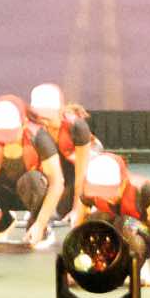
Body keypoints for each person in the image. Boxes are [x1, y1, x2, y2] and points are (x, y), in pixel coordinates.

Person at [0, 94, 63, 248]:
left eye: (10, 133)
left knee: (32, 180)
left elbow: (57, 183)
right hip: (1, 195)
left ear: (24, 124)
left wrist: (40, 224)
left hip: (31, 195)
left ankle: (39, 228)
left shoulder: (39, 138)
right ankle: (2, 224)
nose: (6, 139)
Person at [73, 150, 150, 287]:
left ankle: (137, 264)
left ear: (123, 182)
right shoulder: (89, 193)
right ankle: (105, 264)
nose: (105, 196)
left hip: (144, 234)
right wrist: (72, 269)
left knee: (125, 222)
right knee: (95, 221)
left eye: (109, 190)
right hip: (116, 228)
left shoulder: (144, 190)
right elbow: (76, 231)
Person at [27, 83, 97, 222]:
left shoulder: (77, 127)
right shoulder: (33, 126)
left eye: (47, 117)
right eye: (39, 116)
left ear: (60, 110)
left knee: (72, 206)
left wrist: (77, 209)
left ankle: (93, 203)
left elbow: (81, 174)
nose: (42, 121)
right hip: (61, 163)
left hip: (85, 165)